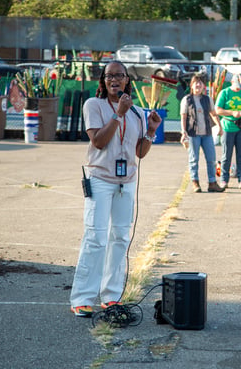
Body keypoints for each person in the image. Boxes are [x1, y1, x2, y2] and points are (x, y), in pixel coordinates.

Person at [70, 61, 161, 317]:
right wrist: (117, 114)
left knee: (120, 238)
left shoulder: (137, 112)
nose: (114, 80)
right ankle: (82, 298)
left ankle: (111, 296)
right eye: (109, 76)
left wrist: (151, 132)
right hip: (100, 179)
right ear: (103, 80)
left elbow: (140, 153)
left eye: (119, 76)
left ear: (127, 81)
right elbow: (98, 142)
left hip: (126, 182)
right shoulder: (94, 105)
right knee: (96, 238)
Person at [180, 73, 225, 193]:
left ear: (203, 86)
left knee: (211, 159)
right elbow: (183, 117)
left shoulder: (207, 99)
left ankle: (212, 183)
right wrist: (183, 132)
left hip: (207, 134)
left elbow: (213, 114)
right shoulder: (186, 100)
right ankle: (195, 182)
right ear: (192, 85)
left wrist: (219, 127)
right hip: (193, 134)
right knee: (194, 159)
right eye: (196, 83)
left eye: (200, 83)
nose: (198, 85)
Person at [215, 74, 241, 189]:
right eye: (236, 86)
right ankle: (224, 179)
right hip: (228, 126)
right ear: (231, 82)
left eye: (240, 86)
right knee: (226, 154)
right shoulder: (225, 93)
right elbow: (218, 110)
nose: (238, 88)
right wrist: (232, 112)